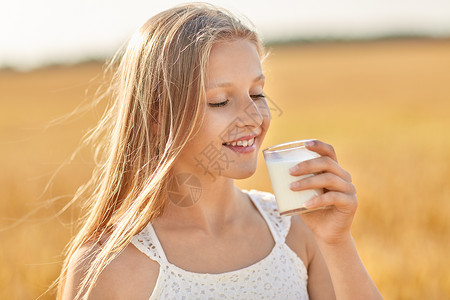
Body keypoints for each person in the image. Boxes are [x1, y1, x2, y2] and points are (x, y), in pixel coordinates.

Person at [56, 3, 383, 299]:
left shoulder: (297, 231)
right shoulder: (109, 266)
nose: (254, 118)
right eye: (220, 101)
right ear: (156, 117)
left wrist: (337, 243)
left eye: (257, 93)